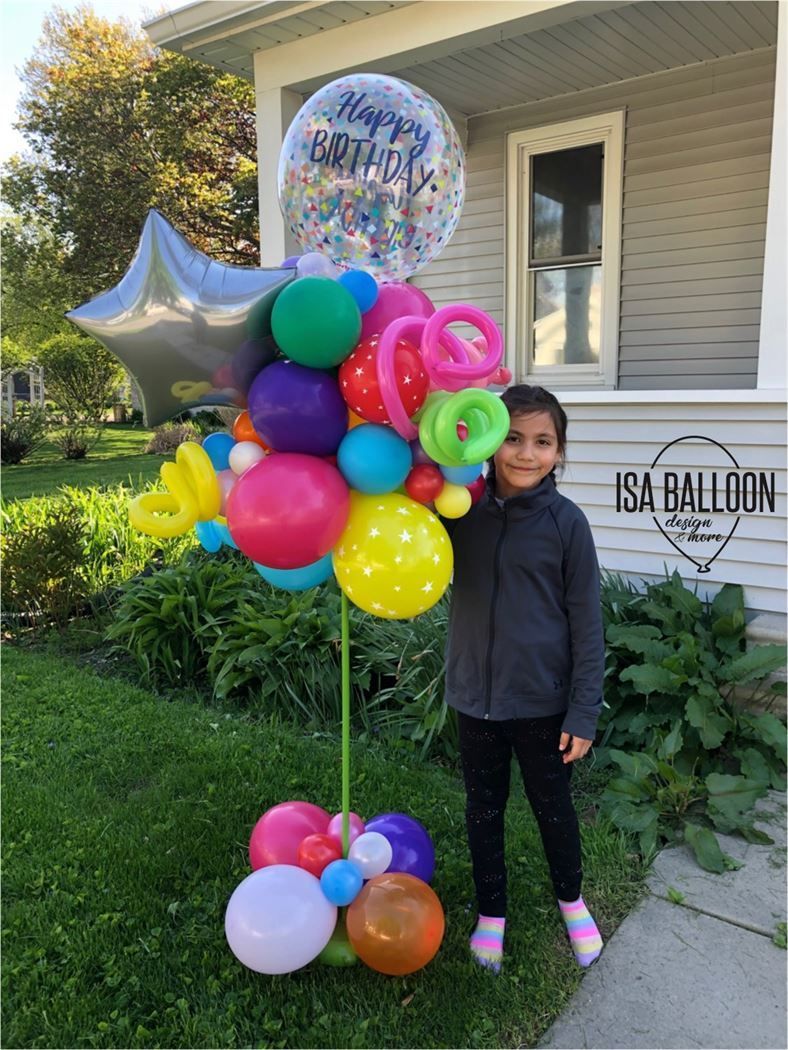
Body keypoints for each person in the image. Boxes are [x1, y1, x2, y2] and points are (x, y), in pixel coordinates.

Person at [444, 384, 604, 974]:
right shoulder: (459, 510)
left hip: (543, 703)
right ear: (489, 440)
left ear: (559, 452)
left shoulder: (567, 524)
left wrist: (583, 711)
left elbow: (588, 624)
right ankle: (491, 913)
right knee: (483, 807)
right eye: (512, 437)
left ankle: (572, 900)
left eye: (543, 441)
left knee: (553, 809)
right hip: (474, 698)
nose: (525, 453)